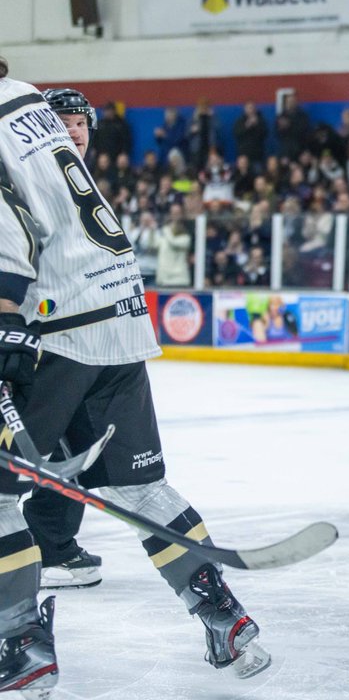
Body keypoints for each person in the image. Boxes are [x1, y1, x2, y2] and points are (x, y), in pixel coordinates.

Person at [0, 59, 269, 697]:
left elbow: (7, 232)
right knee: (136, 486)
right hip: (118, 312)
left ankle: (18, 643)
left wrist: (5, 320)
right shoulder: (25, 102)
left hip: (56, 322)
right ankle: (220, 614)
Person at [18, 89, 108, 591]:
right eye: (62, 121)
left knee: (76, 447)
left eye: (79, 122)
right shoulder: (31, 181)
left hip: (74, 339)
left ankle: (50, 544)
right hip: (40, 340)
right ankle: (47, 546)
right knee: (53, 447)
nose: (73, 130)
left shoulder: (82, 182)